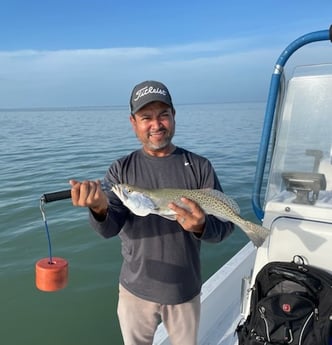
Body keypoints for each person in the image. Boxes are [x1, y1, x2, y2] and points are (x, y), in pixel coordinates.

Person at [70, 80, 234, 345]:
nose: (156, 125)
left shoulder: (200, 167)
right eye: (146, 117)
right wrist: (99, 208)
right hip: (135, 290)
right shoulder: (120, 171)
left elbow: (225, 228)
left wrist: (202, 226)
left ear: (173, 117)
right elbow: (109, 228)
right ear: (133, 121)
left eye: (163, 115)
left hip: (184, 289)